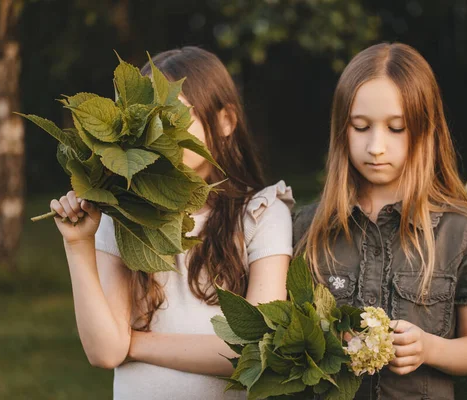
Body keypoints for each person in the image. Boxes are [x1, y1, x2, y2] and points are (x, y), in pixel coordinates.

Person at [50, 46, 294, 400]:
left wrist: (136, 344)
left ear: (225, 120)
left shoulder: (261, 213)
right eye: (149, 121)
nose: (160, 134)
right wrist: (77, 245)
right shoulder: (123, 215)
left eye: (176, 116)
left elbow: (255, 348)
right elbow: (105, 351)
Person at [293, 42, 467, 399]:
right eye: (361, 127)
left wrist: (429, 348)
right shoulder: (309, 229)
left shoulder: (462, 231)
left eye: (396, 128)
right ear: (341, 130)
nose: (376, 146)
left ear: (425, 129)